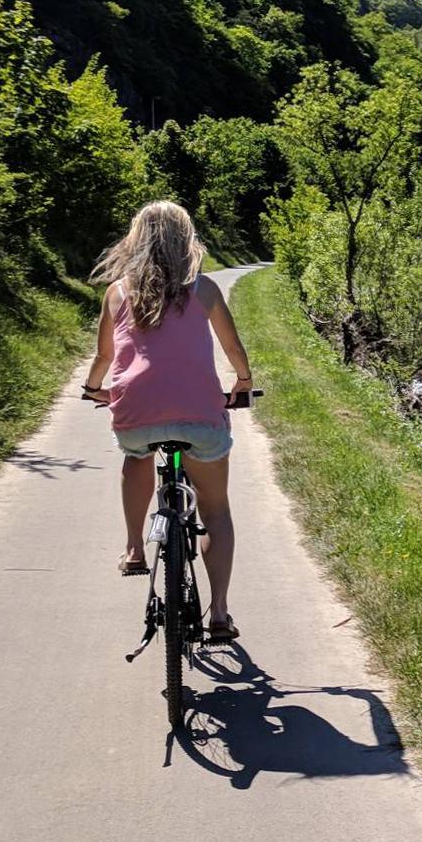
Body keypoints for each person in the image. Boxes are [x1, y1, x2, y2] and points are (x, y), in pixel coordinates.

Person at [81, 201, 253, 643]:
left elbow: (104, 356)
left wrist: (92, 388)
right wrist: (243, 381)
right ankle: (219, 614)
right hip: (199, 416)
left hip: (135, 414)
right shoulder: (205, 289)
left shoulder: (118, 292)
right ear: (186, 240)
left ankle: (135, 549)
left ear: (136, 242)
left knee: (136, 456)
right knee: (215, 510)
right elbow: (232, 348)